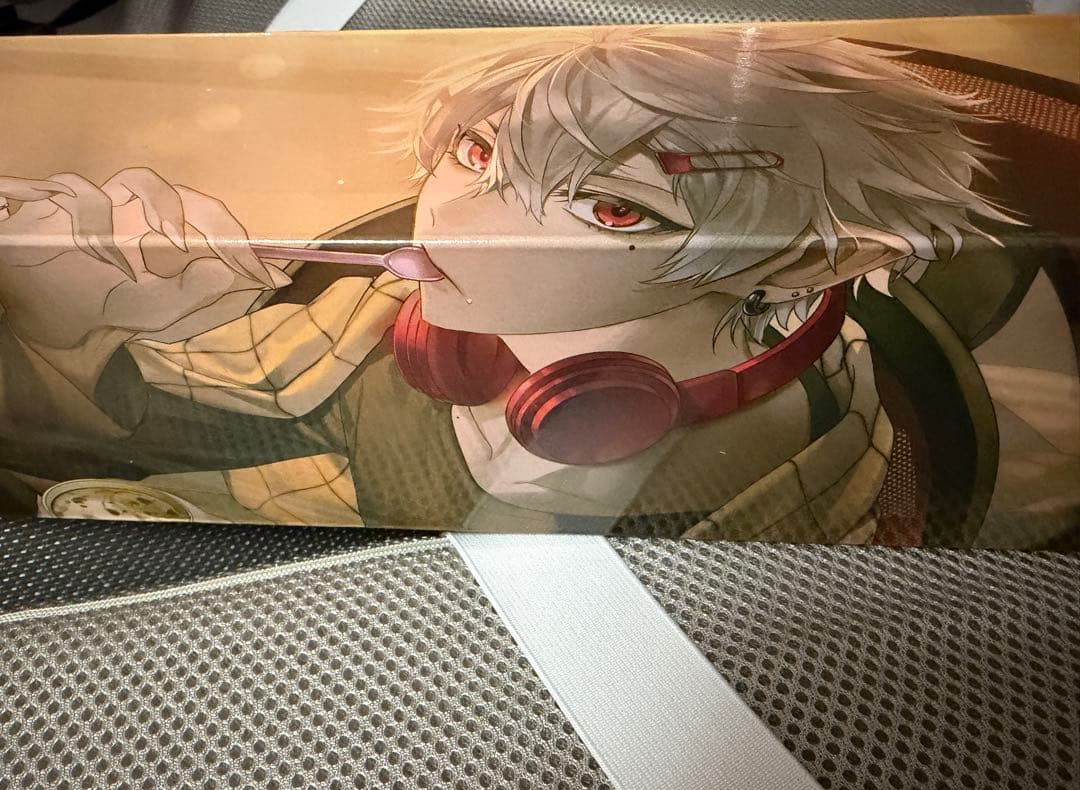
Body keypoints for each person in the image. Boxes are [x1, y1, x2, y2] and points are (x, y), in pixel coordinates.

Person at [0, 29, 1076, 546]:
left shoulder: (780, 505)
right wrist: (77, 329)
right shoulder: (409, 311)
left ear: (806, 263)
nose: (458, 221)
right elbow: (185, 407)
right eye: (476, 152)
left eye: (611, 209)